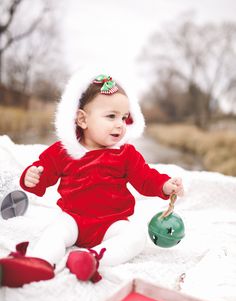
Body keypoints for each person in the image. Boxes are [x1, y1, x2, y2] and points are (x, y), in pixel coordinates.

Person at [0, 68, 184, 288]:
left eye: (124, 118)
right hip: (73, 219)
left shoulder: (125, 154)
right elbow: (43, 174)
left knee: (135, 236)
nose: (120, 124)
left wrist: (164, 185)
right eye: (111, 116)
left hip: (111, 223)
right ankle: (38, 263)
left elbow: (145, 178)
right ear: (82, 120)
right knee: (54, 232)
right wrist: (31, 176)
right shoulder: (64, 150)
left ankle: (91, 259)